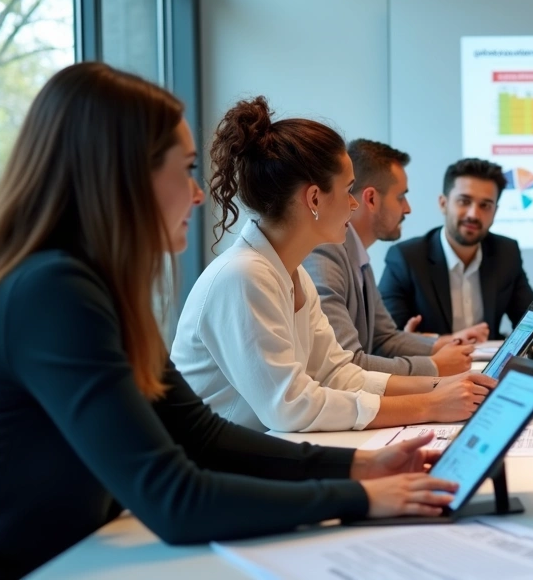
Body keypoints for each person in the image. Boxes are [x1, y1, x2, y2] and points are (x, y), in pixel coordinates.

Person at [0, 64, 458, 579]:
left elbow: (200, 435)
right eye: (185, 169)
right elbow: (175, 498)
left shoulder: (90, 289)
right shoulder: (54, 294)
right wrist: (360, 496)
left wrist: (358, 466)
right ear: (123, 172)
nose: (197, 194)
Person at [173, 97, 495, 433]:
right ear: (314, 199)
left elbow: (338, 375)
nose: (355, 204)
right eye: (348, 190)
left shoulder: (292, 273)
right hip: (210, 472)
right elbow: (291, 406)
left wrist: (444, 387)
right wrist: (430, 404)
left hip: (253, 455)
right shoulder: (244, 275)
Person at [303, 139, 483, 378]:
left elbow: (384, 338)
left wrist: (444, 345)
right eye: (401, 197)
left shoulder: (357, 256)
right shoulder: (324, 253)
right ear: (371, 199)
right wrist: (435, 366)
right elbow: (346, 364)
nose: (407, 208)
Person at [379, 158, 533, 339]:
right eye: (464, 201)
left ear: (495, 212)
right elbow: (388, 337)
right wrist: (443, 341)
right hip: (433, 365)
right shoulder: (406, 258)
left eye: (485, 205)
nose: (473, 214)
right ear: (443, 203)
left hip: (487, 365)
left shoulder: (506, 252)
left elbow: (528, 323)